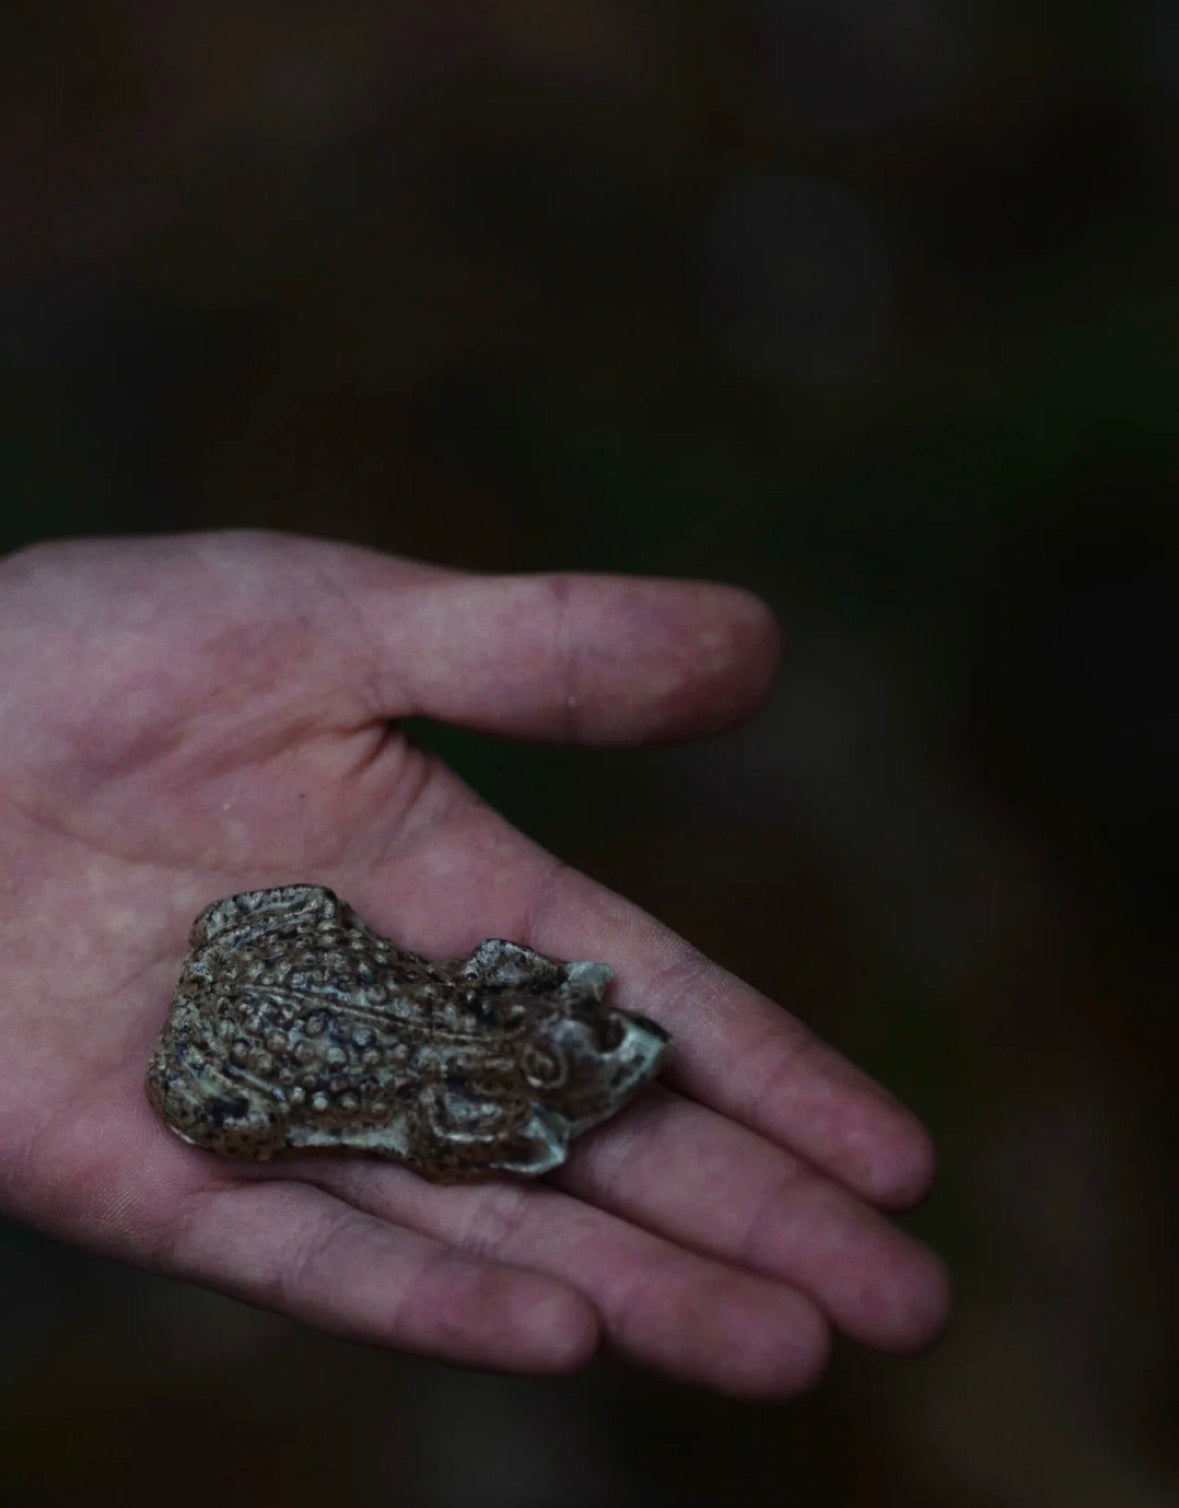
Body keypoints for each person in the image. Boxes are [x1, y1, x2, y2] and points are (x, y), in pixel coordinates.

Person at [0, 530, 949, 1395]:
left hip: (297, 976)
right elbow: (427, 1134)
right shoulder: (454, 1105)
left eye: (574, 1036)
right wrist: (527, 1124)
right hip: (248, 1048)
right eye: (574, 1036)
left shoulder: (477, 1036)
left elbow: (494, 967)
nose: (594, 1035)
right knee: (274, 1086)